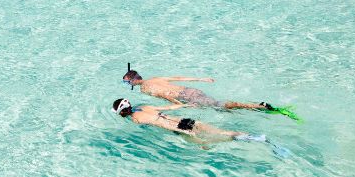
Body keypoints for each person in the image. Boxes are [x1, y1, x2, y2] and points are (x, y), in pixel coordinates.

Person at [122, 65, 300, 121]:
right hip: (191, 90)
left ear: (132, 80)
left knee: (221, 106)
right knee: (221, 107)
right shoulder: (154, 78)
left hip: (186, 97)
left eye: (126, 82)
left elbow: (165, 96)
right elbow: (179, 78)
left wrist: (180, 105)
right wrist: (201, 79)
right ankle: (257, 108)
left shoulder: (146, 88)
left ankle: (259, 106)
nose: (126, 84)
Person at [111, 98, 266, 143]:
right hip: (185, 119)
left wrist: (192, 136)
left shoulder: (137, 119)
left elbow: (161, 124)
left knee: (214, 140)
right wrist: (184, 104)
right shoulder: (144, 107)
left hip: (179, 128)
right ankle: (253, 137)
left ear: (123, 111)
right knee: (220, 132)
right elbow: (168, 108)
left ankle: (248, 139)